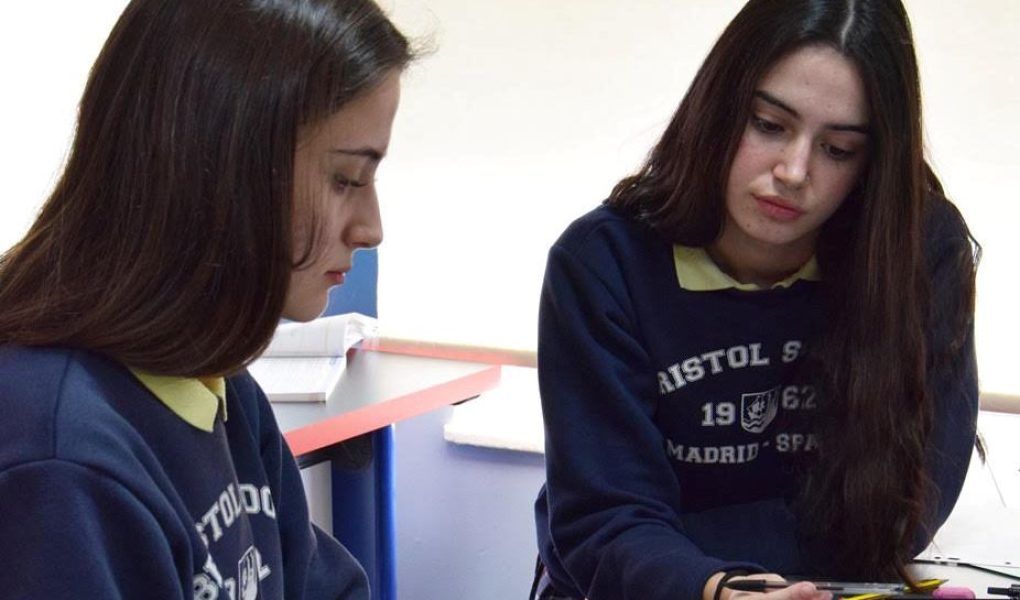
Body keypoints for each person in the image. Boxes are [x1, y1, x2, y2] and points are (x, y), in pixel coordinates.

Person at [531, 1, 979, 600]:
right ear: (717, 108)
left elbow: (908, 504)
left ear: (874, 162)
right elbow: (604, 522)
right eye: (768, 124)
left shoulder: (918, 254)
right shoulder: (604, 263)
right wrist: (713, 584)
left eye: (838, 149)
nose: (794, 171)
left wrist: (681, 539)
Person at [0, 0, 413, 598]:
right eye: (345, 179)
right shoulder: (60, 466)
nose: (371, 228)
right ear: (219, 165)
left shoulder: (218, 383)